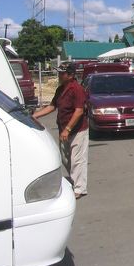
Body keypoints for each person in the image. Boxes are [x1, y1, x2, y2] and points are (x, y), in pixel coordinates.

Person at [33, 63, 89, 199]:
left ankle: (79, 188)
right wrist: (35, 115)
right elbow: (52, 106)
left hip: (77, 130)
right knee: (65, 158)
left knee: (77, 159)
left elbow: (79, 111)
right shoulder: (60, 89)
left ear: (70, 75)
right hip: (63, 129)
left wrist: (68, 129)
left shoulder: (77, 89)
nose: (59, 75)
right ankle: (75, 180)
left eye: (61, 73)